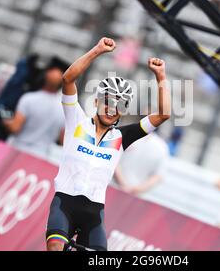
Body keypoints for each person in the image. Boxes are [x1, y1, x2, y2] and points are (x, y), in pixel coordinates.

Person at [46, 37, 170, 251]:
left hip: (93, 215)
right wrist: (97, 50)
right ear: (96, 101)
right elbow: (68, 79)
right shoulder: (77, 121)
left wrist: (161, 78)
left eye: (119, 104)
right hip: (64, 205)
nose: (112, 108)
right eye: (108, 101)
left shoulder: (122, 137)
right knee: (56, 246)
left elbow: (163, 114)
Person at [2, 61, 66, 158]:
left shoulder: (29, 98)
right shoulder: (64, 109)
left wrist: (5, 120)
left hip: (16, 152)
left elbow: (15, 127)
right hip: (40, 157)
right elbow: (62, 141)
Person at [113, 131, 169, 195]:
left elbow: (113, 159)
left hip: (114, 188)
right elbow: (158, 176)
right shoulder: (162, 146)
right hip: (134, 195)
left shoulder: (125, 134)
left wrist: (125, 186)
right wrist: (135, 189)